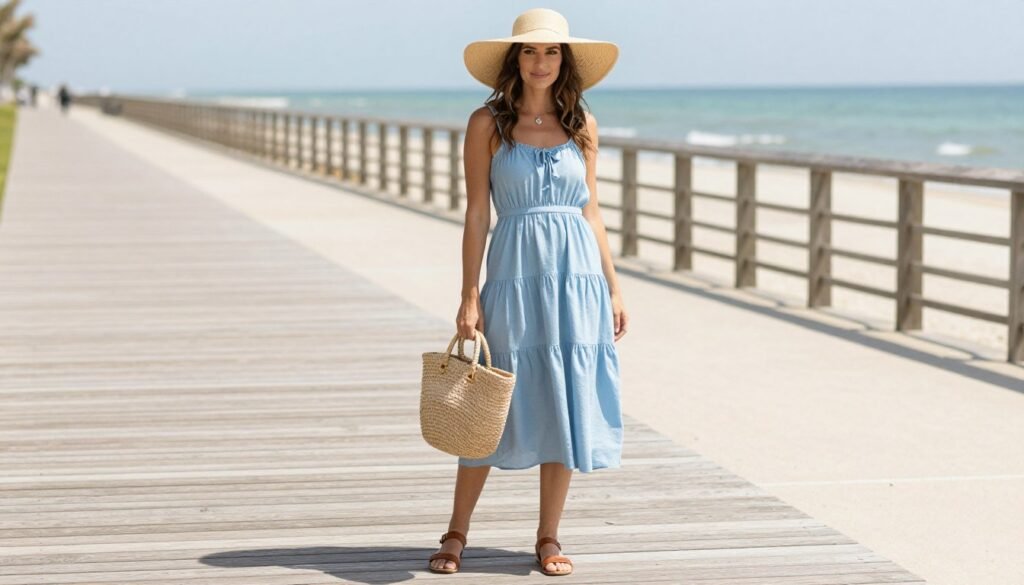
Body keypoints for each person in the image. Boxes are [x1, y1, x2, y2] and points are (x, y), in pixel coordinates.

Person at [428, 8, 628, 577]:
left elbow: (592, 212)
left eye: (552, 52)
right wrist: (469, 294)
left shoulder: (582, 124)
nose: (541, 62)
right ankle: (456, 531)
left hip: (577, 280)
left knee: (566, 397)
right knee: (490, 398)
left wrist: (613, 289)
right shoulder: (486, 123)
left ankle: (548, 537)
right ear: (515, 60)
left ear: (564, 62)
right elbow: (475, 213)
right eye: (530, 51)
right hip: (514, 276)